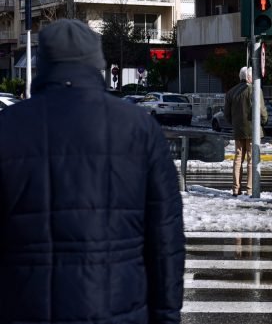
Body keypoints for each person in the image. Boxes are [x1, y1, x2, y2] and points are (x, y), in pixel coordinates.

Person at [0, 19, 185, 324]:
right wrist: (166, 316)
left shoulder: (7, 126)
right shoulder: (139, 128)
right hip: (118, 308)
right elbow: (165, 237)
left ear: (42, 64)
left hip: (24, 308)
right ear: (97, 63)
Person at [224, 66, 267, 196]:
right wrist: (264, 121)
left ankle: (236, 188)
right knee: (251, 159)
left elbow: (227, 114)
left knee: (238, 159)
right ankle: (250, 189)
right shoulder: (255, 89)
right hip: (253, 130)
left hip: (238, 130)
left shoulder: (231, 92)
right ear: (249, 77)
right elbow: (261, 110)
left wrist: (235, 124)